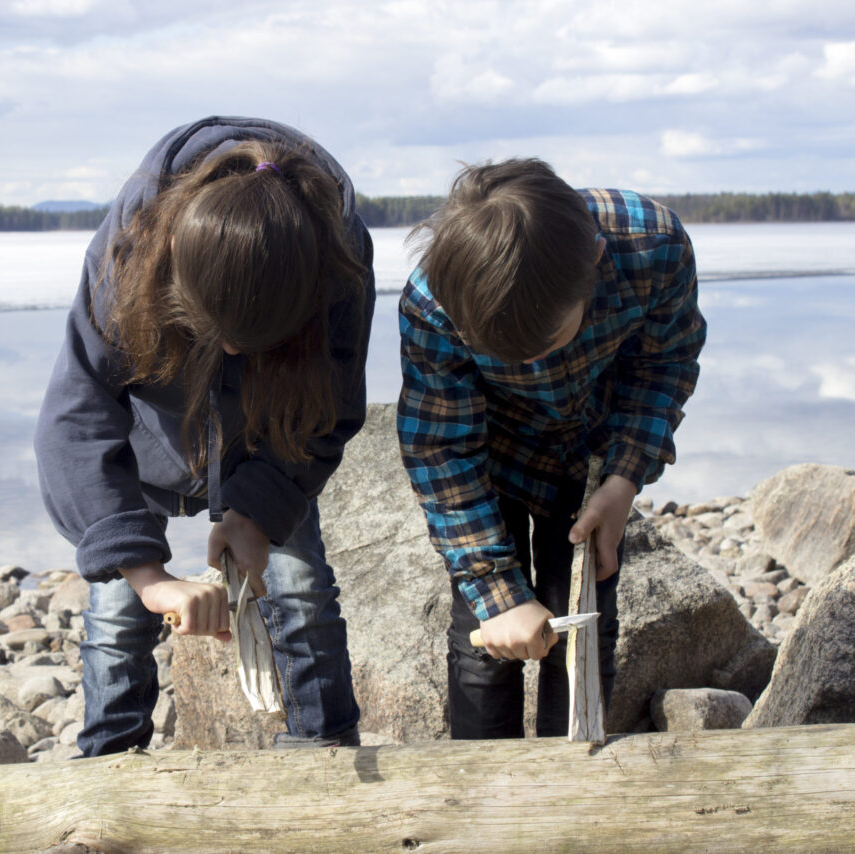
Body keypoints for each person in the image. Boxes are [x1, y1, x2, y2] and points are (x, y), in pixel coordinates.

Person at [35, 116, 376, 756]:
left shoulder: (338, 259)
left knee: (300, 590)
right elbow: (77, 412)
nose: (227, 349)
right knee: (115, 618)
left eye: (250, 342)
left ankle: (327, 760)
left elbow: (329, 405)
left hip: (273, 437)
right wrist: (146, 573)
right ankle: (106, 775)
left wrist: (259, 509)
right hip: (150, 434)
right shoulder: (131, 247)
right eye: (212, 334)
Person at [397, 158, 706, 739]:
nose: (532, 366)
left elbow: (663, 364)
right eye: (508, 352)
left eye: (545, 342)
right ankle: (486, 794)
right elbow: (441, 452)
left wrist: (622, 481)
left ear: (593, 262)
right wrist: (496, 589)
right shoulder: (434, 303)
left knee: (586, 623)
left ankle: (573, 773)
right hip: (490, 463)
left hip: (592, 459)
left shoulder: (654, 246)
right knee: (487, 642)